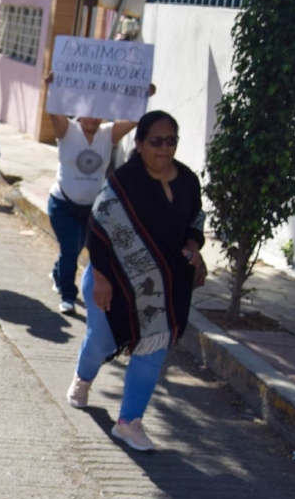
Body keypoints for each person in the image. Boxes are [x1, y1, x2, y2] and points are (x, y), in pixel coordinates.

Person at [68, 111, 205, 452]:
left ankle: (129, 423)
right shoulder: (123, 183)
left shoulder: (187, 180)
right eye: (155, 141)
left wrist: (192, 244)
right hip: (111, 283)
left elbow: (196, 219)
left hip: (162, 292)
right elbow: (97, 230)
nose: (164, 148)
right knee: (100, 343)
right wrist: (100, 279)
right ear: (140, 144)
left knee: (152, 350)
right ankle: (83, 379)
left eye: (170, 141)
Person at [42, 70, 150, 314]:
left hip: (91, 207)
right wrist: (51, 87)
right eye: (87, 113)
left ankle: (59, 273)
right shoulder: (67, 131)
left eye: (97, 113)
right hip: (63, 203)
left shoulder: (108, 134)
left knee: (77, 248)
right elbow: (54, 111)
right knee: (70, 248)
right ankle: (68, 295)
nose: (92, 119)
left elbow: (135, 118)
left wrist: (142, 94)